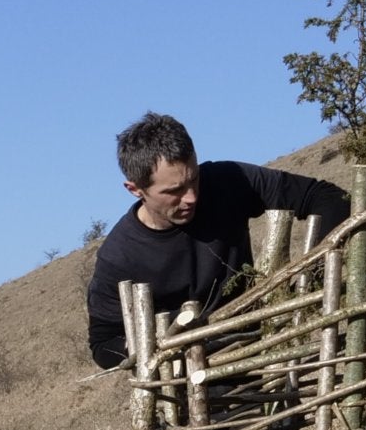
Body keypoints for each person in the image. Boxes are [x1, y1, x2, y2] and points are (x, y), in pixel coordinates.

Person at [85, 113, 350, 369]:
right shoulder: (119, 257)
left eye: (193, 179)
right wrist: (150, 346)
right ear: (135, 189)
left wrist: (310, 279)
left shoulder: (228, 182)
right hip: (187, 388)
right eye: (174, 190)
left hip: (264, 362)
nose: (191, 197)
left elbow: (327, 198)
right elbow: (103, 343)